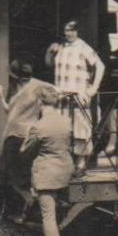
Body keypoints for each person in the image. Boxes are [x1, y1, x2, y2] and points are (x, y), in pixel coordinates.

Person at [19, 101, 73, 236]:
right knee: (55, 208)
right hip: (65, 170)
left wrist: (28, 134)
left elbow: (25, 151)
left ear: (41, 105)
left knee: (48, 216)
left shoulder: (38, 126)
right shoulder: (66, 121)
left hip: (47, 174)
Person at [0, 60, 60, 209]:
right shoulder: (40, 86)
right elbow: (57, 92)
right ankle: (32, 201)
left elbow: (8, 110)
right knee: (25, 171)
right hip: (27, 134)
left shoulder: (20, 90)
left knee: (11, 171)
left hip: (16, 135)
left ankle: (30, 201)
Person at [47, 20, 105, 165]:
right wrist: (49, 51)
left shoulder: (83, 47)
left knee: (80, 129)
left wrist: (93, 89)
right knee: (65, 129)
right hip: (62, 95)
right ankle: (67, 162)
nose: (69, 33)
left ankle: (81, 163)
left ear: (78, 31)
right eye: (67, 30)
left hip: (78, 94)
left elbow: (100, 66)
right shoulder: (61, 47)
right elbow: (49, 64)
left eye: (72, 30)